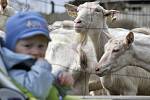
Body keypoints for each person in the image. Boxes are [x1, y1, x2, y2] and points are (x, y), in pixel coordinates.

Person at [1, 11, 76, 100]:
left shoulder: (32, 66)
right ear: (11, 46)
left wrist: (60, 82)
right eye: (28, 46)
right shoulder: (15, 69)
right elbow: (39, 92)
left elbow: (51, 91)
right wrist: (43, 65)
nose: (36, 51)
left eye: (41, 46)